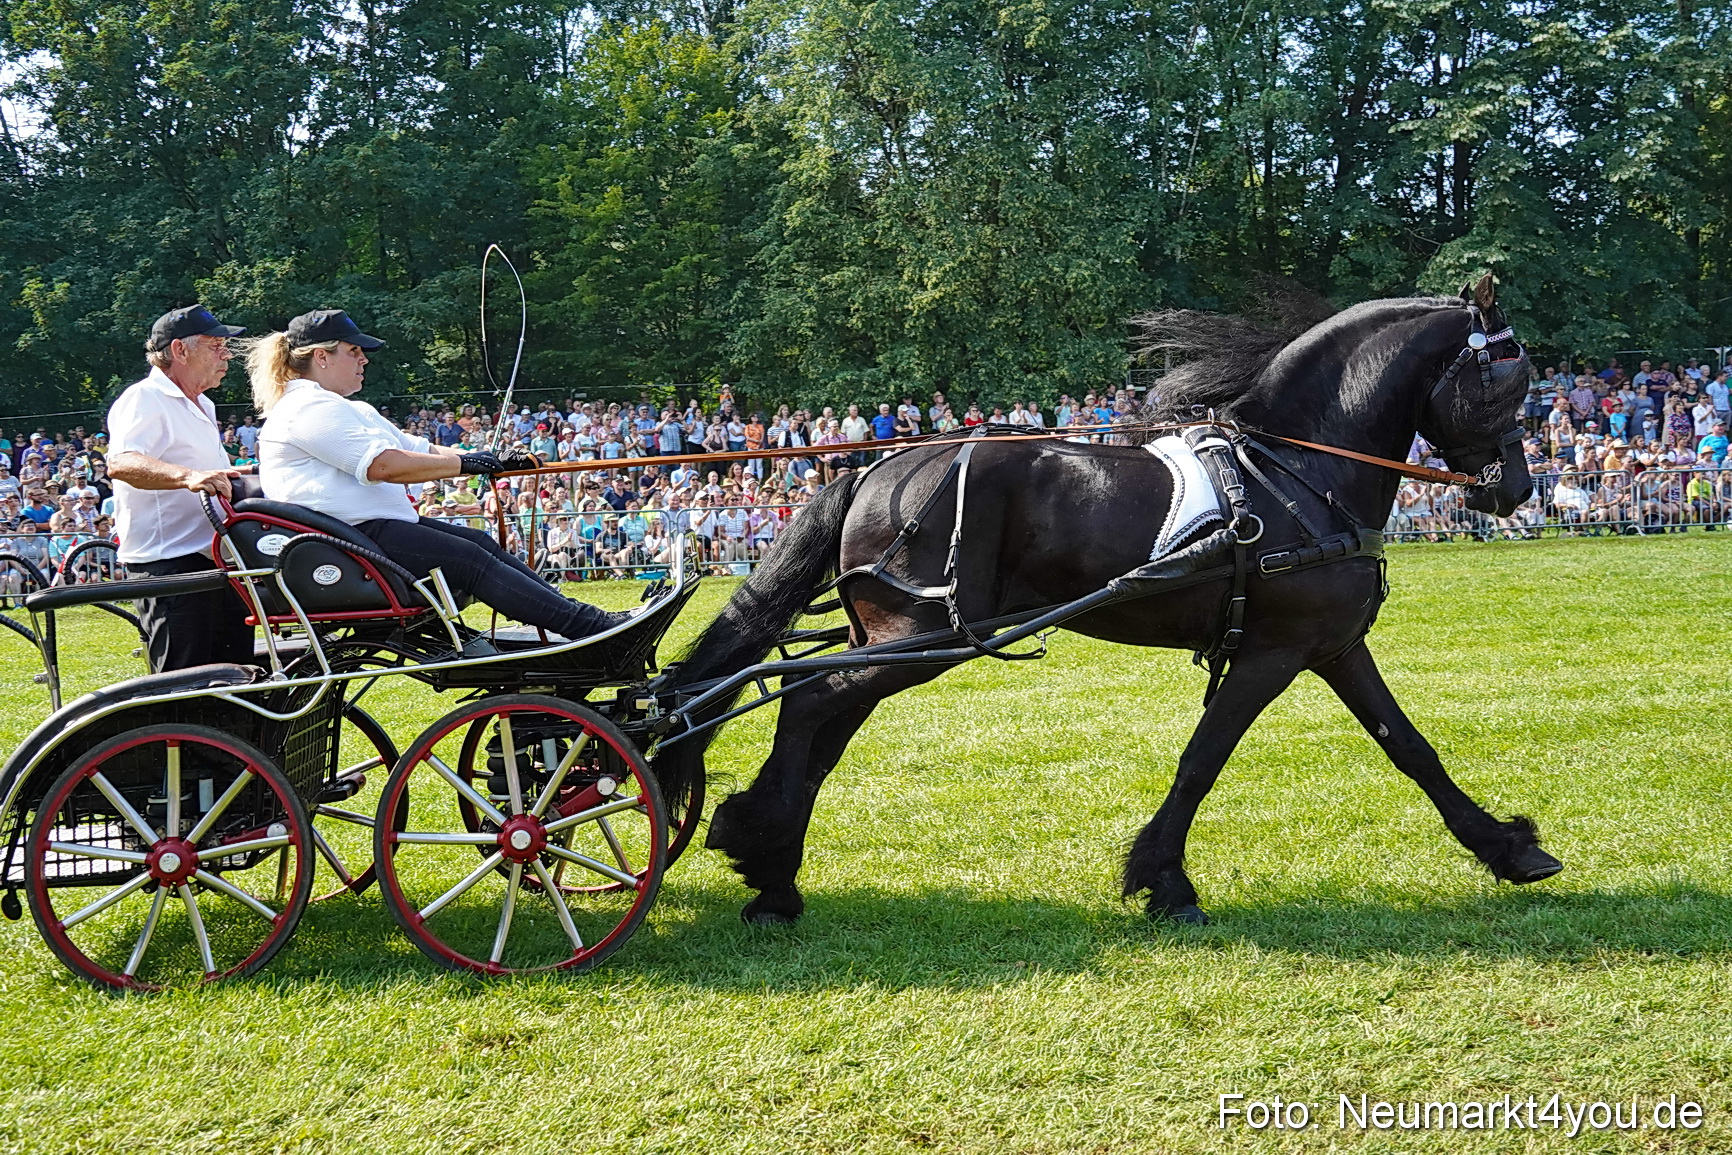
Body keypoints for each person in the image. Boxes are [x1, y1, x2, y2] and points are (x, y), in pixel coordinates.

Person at [249, 309, 624, 640]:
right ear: (321, 356)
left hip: (369, 532)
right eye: (354, 351)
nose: (364, 359)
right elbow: (384, 465)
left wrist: (489, 457)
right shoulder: (306, 408)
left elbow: (421, 450)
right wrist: (467, 464)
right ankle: (591, 629)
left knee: (480, 545)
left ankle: (584, 619)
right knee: (470, 560)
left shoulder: (346, 408)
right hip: (348, 541)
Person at [107, 304, 256, 671]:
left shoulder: (203, 402)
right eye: (216, 346)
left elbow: (207, 471)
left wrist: (244, 472)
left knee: (233, 677)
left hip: (214, 559)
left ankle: (226, 731)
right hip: (170, 565)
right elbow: (121, 462)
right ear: (180, 350)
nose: (226, 356)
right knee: (183, 684)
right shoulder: (143, 398)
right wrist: (187, 477)